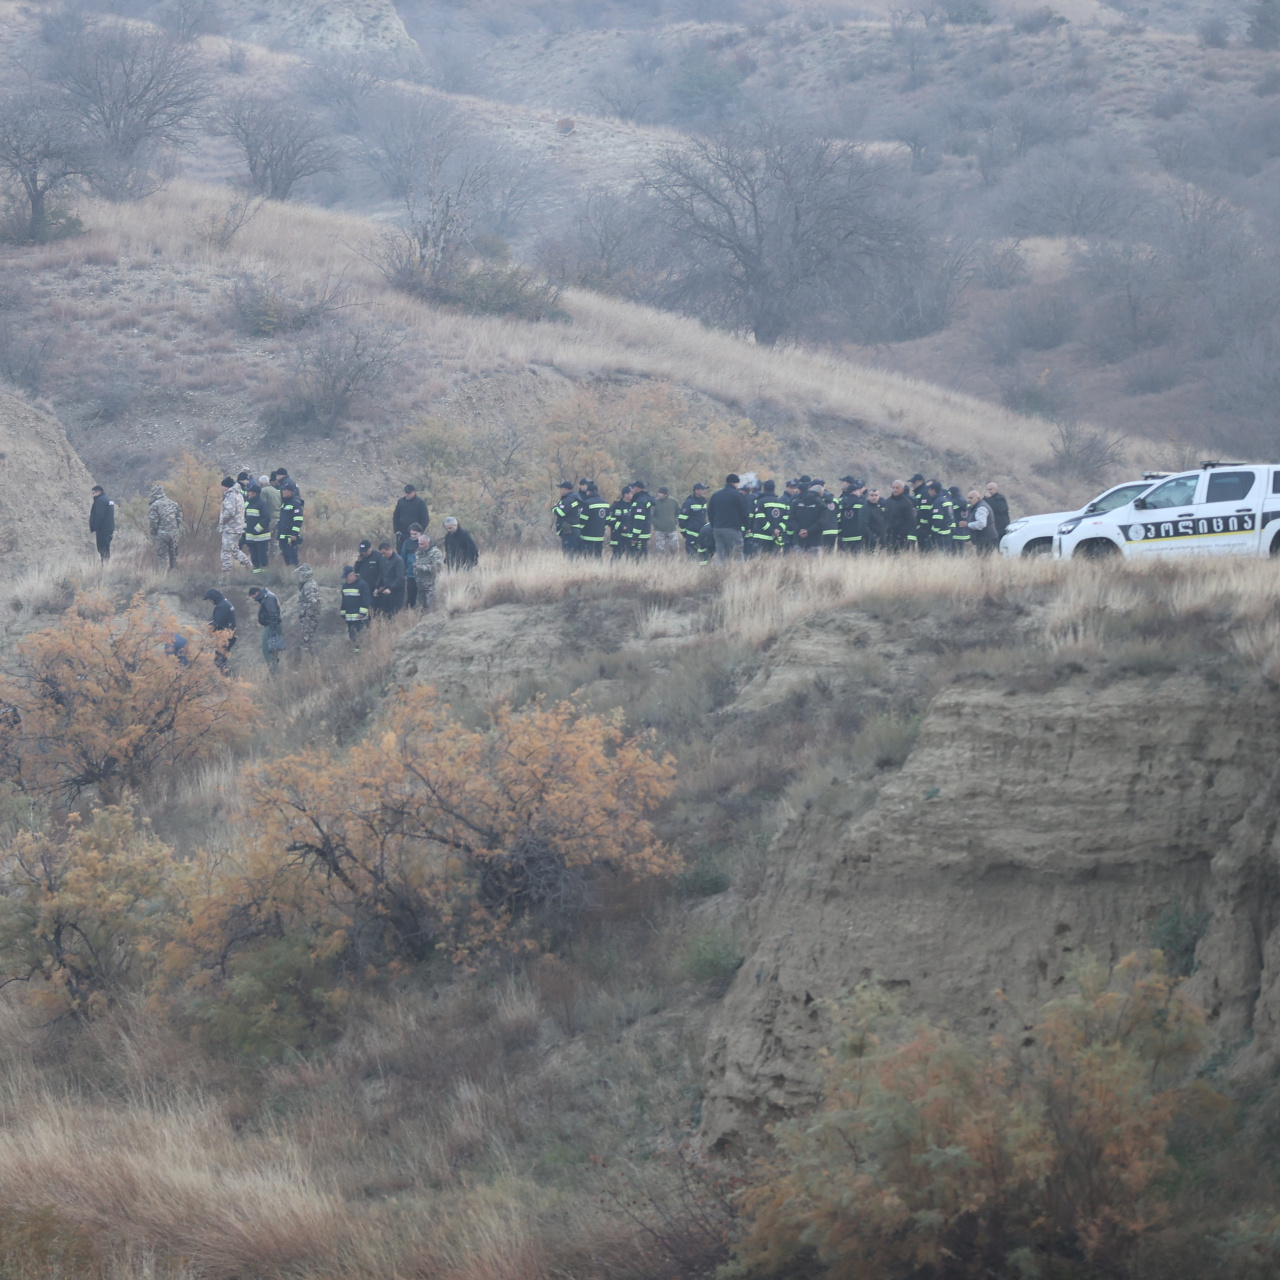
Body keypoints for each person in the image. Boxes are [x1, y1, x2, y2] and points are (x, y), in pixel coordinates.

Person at [707, 473, 752, 563]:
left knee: (720, 555)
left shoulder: (716, 495)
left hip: (718, 529)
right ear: (735, 483)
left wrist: (713, 526)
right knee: (737, 554)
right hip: (733, 529)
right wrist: (747, 527)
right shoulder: (738, 496)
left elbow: (710, 512)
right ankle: (739, 574)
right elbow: (744, 513)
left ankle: (719, 573)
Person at [218, 477, 252, 571]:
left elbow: (229, 512)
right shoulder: (239, 495)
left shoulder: (230, 496)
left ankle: (226, 571)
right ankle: (248, 563)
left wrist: (222, 521)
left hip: (230, 528)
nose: (221, 488)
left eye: (222, 486)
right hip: (238, 527)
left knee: (226, 550)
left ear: (226, 486)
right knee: (234, 549)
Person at [147, 483, 183, 570]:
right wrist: (175, 529)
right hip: (174, 534)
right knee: (173, 555)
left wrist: (153, 532)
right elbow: (179, 518)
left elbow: (153, 521)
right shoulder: (174, 504)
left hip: (161, 534)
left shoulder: (155, 505)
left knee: (162, 556)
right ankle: (174, 573)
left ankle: (162, 575)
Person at [248, 584, 282, 672]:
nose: (254, 599)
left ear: (257, 592)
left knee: (266, 649)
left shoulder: (268, 598)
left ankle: (274, 672)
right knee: (273, 650)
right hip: (272, 625)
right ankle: (276, 671)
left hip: (272, 626)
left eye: (253, 597)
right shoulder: (266, 596)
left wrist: (273, 630)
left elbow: (272, 614)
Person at [788, 480, 826, 554]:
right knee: (815, 565)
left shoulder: (795, 502)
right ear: (821, 493)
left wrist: (799, 530)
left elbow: (791, 519)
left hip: (798, 540)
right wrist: (808, 531)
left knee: (798, 564)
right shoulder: (821, 505)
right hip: (815, 541)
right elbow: (822, 522)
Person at [203, 587, 236, 672]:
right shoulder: (226, 603)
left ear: (214, 598)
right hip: (230, 634)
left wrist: (208, 628)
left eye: (210, 599)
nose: (210, 602)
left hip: (225, 637)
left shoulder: (221, 606)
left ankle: (224, 680)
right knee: (222, 659)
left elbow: (217, 623)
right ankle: (225, 678)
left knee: (219, 661)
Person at [339, 566, 372, 650]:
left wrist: (362, 613)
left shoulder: (362, 584)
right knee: (352, 636)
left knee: (360, 635)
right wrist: (343, 612)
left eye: (347, 577)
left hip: (360, 618)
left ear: (353, 575)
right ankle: (356, 651)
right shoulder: (345, 586)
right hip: (349, 617)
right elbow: (344, 600)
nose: (346, 579)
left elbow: (366, 600)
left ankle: (362, 652)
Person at [751, 480, 787, 554]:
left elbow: (760, 519)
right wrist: (778, 530)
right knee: (773, 563)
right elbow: (786, 520)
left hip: (761, 538)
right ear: (774, 489)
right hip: (776, 539)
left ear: (763, 489)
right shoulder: (782, 503)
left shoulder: (760, 502)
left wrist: (771, 530)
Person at [242, 484, 271, 571]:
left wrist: (256, 530)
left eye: (249, 492)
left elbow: (266, 518)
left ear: (254, 493)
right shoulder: (247, 503)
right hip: (251, 537)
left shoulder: (262, 504)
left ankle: (265, 575)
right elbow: (244, 518)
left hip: (261, 537)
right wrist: (244, 531)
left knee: (262, 557)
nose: (247, 493)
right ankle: (256, 574)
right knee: (254, 558)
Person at [413, 532, 445, 610]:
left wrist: (421, 567)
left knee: (431, 608)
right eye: (419, 544)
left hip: (430, 585)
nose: (420, 546)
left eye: (422, 544)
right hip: (420, 585)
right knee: (421, 608)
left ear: (428, 543)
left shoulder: (435, 552)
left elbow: (438, 568)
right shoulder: (418, 552)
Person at [393, 485, 430, 552]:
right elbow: (395, 516)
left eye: (409, 493)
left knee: (415, 553)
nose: (407, 494)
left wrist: (419, 531)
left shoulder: (420, 503)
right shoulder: (401, 501)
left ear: (414, 492)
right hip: (402, 534)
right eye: (406, 492)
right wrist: (396, 530)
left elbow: (425, 519)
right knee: (401, 553)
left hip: (415, 535)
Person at [294, 563, 321, 652]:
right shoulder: (307, 585)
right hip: (307, 618)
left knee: (307, 642)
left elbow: (314, 603)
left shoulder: (309, 586)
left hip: (309, 619)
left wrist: (307, 618)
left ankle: (309, 662)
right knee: (306, 641)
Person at [837, 476, 867, 554]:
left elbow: (838, 518)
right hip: (858, 536)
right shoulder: (861, 503)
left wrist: (839, 532)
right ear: (854, 491)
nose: (860, 492)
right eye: (859, 490)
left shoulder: (841, 501)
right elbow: (864, 519)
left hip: (844, 536)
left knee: (844, 559)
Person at [375, 540, 406, 614]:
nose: (383, 555)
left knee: (394, 612)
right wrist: (377, 587)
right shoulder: (383, 559)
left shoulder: (398, 560)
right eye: (381, 553)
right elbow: (382, 574)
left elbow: (400, 577)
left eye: (384, 553)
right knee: (385, 611)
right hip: (386, 589)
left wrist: (391, 588)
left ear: (389, 550)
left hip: (396, 590)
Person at [884, 480, 916, 552]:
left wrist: (901, 533)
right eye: (893, 488)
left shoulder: (907, 503)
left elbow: (910, 520)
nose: (895, 490)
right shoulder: (888, 501)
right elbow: (884, 517)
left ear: (902, 490)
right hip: (888, 535)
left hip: (900, 537)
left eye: (897, 488)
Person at [277, 483, 304, 567]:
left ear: (291, 491)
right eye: (283, 490)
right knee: (286, 558)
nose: (283, 492)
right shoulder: (285, 503)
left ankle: (296, 577)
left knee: (293, 559)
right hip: (283, 535)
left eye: (285, 490)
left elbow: (298, 520)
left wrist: (294, 534)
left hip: (290, 536)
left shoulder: (295, 503)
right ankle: (290, 573)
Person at [678, 482, 709, 555]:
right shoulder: (689, 502)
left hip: (702, 533)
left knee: (703, 555)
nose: (704, 491)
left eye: (704, 489)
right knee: (692, 555)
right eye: (702, 489)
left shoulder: (703, 501)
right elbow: (682, 519)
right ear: (696, 491)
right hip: (691, 534)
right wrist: (684, 532)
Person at [553, 481, 582, 557]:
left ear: (566, 489)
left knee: (568, 552)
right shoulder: (576, 498)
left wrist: (555, 507)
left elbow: (561, 513)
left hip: (569, 530)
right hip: (575, 529)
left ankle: (570, 566)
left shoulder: (568, 500)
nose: (560, 491)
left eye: (561, 489)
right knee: (575, 553)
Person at [967, 489, 999, 555]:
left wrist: (968, 525)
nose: (969, 500)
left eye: (971, 498)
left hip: (986, 539)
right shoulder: (978, 506)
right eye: (968, 498)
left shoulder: (981, 508)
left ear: (978, 498)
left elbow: (981, 524)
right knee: (983, 559)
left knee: (984, 559)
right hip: (985, 538)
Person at [627, 480, 654, 557]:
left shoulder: (640, 502)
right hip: (641, 535)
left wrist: (635, 536)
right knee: (641, 556)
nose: (631, 489)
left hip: (639, 536)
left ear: (639, 489)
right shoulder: (640, 499)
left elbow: (639, 520)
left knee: (638, 557)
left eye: (633, 487)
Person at [650, 486, 680, 555]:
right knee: (660, 549)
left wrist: (674, 520)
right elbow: (651, 515)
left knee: (674, 547)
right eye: (658, 493)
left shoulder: (674, 502)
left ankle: (674, 560)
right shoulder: (655, 502)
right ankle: (662, 562)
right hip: (659, 530)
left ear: (666, 494)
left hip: (671, 529)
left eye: (661, 493)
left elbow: (678, 513)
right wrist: (656, 523)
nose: (659, 494)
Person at [258, 474, 281, 558]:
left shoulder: (263, 491)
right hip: (278, 518)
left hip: (269, 519)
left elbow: (262, 506)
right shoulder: (276, 491)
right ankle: (276, 559)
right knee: (275, 541)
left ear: (261, 483)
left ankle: (265, 559)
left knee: (265, 539)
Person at [89, 485, 115, 561]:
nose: (93, 495)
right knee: (106, 548)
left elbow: (99, 514)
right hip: (109, 528)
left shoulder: (100, 501)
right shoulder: (108, 499)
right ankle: (105, 564)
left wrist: (96, 526)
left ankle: (104, 565)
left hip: (102, 529)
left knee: (102, 548)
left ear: (98, 492)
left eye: (93, 493)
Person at [949, 486, 971, 553]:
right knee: (962, 552)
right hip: (965, 532)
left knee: (954, 553)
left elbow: (950, 515)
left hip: (955, 532)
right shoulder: (966, 502)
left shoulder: (953, 502)